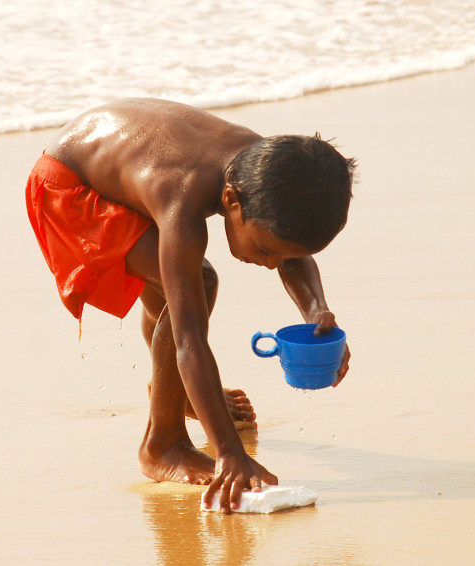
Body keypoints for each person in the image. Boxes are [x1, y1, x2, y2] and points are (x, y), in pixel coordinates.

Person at [25, 98, 355, 513]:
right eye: (266, 249)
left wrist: (316, 312)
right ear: (232, 200)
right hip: (68, 187)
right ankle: (163, 444)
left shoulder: (270, 171)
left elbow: (294, 252)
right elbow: (189, 341)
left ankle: (173, 391)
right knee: (197, 281)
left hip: (120, 168)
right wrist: (229, 454)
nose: (271, 264)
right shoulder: (182, 195)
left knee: (173, 287)